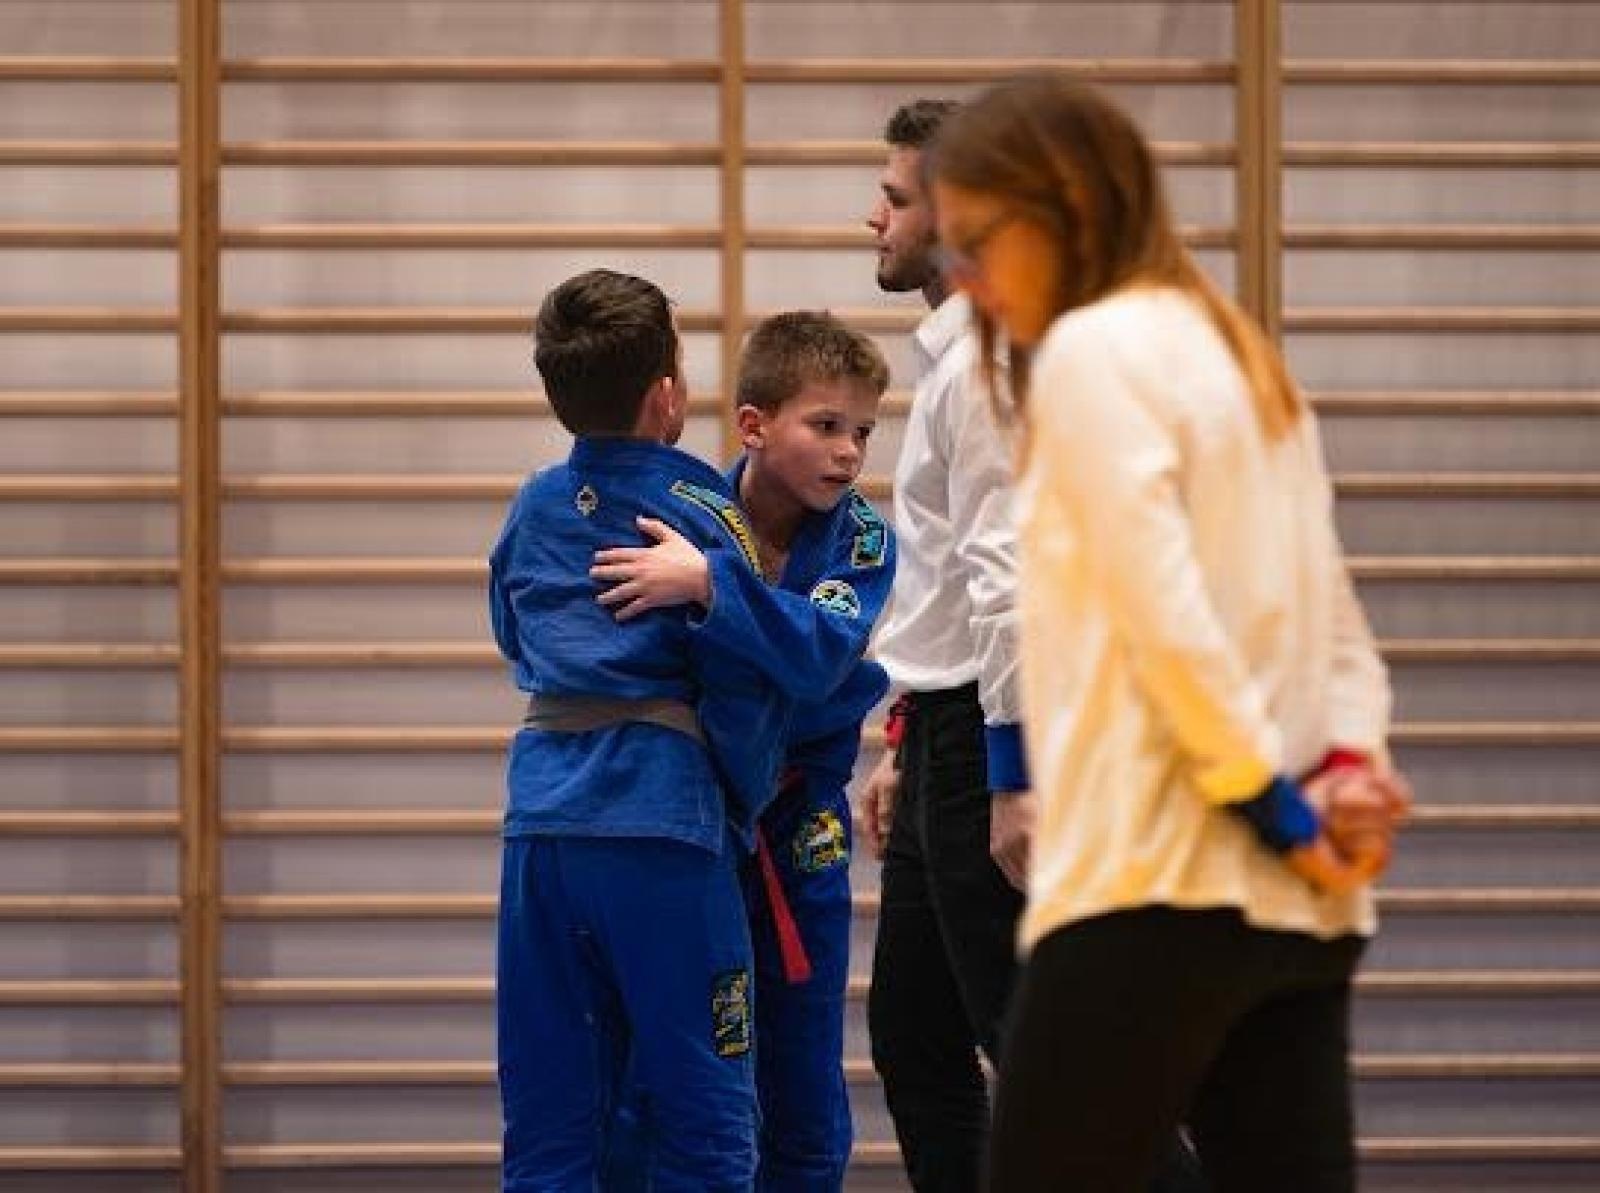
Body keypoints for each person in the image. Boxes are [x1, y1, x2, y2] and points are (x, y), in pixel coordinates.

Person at [929, 74, 1411, 1192]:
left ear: (1062, 210)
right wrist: (1346, 768)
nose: (964, 283)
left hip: (1160, 881)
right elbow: (1330, 613)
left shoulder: (1095, 354)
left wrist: (1268, 799)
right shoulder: (1237, 351)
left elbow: (1163, 615)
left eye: (975, 245)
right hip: (1300, 906)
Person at [861, 96, 1207, 1193]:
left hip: (1003, 740)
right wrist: (903, 731)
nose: (873, 217)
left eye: (894, 197)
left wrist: (1013, 778)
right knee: (916, 1035)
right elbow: (953, 590)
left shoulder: (990, 362)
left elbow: (1014, 582)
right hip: (951, 730)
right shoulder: (962, 349)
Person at [490, 268, 793, 1192]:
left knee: (552, 1119)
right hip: (664, 825)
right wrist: (750, 793)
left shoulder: (534, 505)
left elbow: (512, 631)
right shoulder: (704, 508)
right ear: (669, 393)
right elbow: (747, 686)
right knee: (704, 1117)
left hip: (541, 825)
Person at [590, 311, 896, 1192]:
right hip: (689, 822)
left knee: (799, 1075)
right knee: (669, 1067)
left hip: (800, 832)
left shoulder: (864, 540)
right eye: (826, 425)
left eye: (864, 432)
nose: (848, 453)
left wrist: (710, 588)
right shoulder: (682, 513)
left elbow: (819, 654)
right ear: (755, 425)